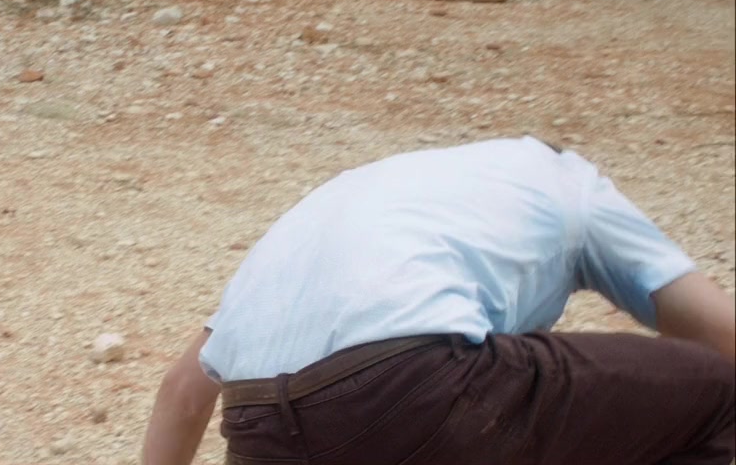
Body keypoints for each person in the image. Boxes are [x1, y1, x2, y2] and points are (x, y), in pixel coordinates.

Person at [142, 136, 735, 465]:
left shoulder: (374, 198)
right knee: (715, 392)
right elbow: (723, 340)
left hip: (257, 430)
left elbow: (183, 392)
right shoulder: (574, 188)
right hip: (411, 388)